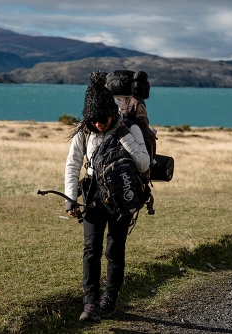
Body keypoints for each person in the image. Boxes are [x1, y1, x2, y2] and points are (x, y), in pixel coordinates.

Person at [64, 70, 150, 323]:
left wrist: (124, 136)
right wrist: (70, 198)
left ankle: (109, 298)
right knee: (91, 250)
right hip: (92, 195)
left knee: (115, 249)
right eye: (94, 120)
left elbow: (144, 164)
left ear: (113, 113)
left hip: (122, 197)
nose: (99, 124)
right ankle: (89, 304)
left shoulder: (129, 130)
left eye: (104, 119)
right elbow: (73, 164)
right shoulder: (85, 131)